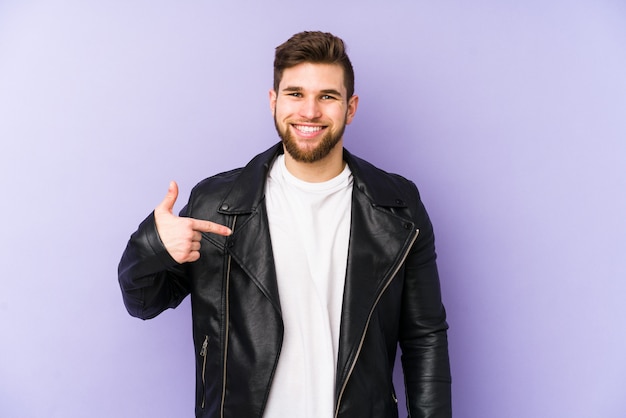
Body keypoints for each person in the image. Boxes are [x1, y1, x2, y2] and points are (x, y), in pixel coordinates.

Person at [118, 31, 451, 418]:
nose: (309, 111)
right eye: (295, 94)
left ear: (351, 107)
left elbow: (424, 337)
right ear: (274, 101)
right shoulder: (216, 204)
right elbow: (142, 303)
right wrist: (153, 246)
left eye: (327, 96)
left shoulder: (398, 207)